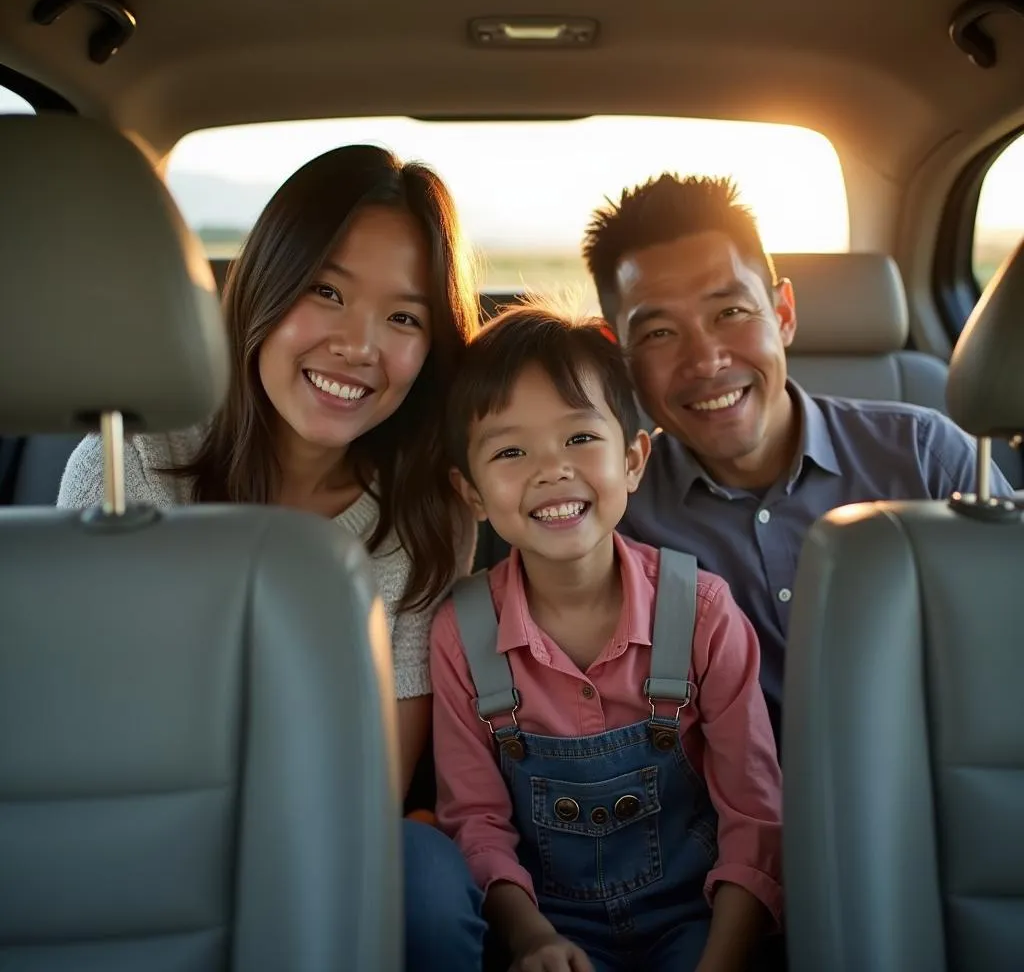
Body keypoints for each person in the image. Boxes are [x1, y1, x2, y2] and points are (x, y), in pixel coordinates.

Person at [57, 143, 487, 970]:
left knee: (425, 880)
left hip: (318, 831)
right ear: (264, 286)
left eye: (404, 318)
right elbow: (78, 736)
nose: (358, 346)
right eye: (325, 291)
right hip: (129, 827)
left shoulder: (423, 517)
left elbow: (376, 781)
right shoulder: (130, 468)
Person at [582, 173, 1015, 742]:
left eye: (731, 313)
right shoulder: (615, 513)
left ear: (783, 313)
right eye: (660, 332)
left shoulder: (926, 458)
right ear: (622, 356)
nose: (706, 360)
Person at [431, 305, 782, 972]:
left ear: (632, 460)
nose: (551, 470)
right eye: (510, 451)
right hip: (547, 930)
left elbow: (755, 817)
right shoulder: (462, 635)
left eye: (579, 440)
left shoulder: (703, 613)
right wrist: (531, 938)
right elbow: (475, 823)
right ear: (470, 492)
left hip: (699, 923)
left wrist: (721, 961)